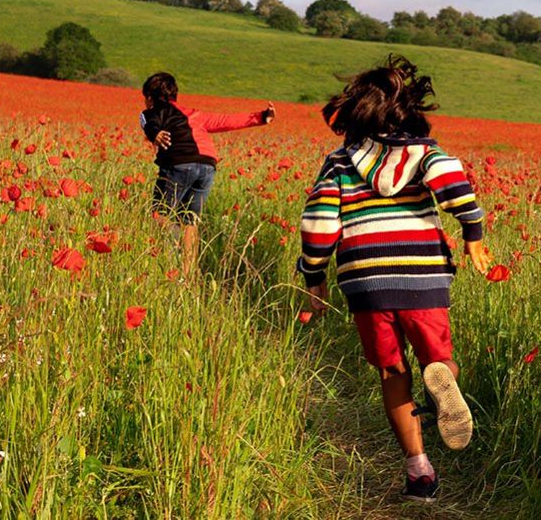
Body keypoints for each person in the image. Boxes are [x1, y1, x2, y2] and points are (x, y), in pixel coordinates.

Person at [296, 54, 491, 503]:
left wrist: (314, 276)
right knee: (436, 359)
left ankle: (419, 470)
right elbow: (452, 180)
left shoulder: (340, 162)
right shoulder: (425, 154)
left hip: (366, 280)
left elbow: (320, 220)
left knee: (391, 370)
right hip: (422, 277)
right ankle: (441, 379)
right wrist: (472, 234)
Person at [139, 71, 275, 276]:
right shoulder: (194, 114)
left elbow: (150, 123)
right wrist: (261, 116)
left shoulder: (151, 112)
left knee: (160, 215)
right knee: (190, 221)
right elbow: (226, 120)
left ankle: (172, 260)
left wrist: (155, 134)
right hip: (207, 166)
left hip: (179, 163)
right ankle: (187, 273)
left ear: (149, 97)